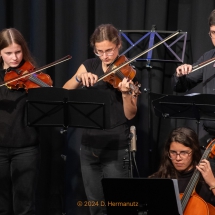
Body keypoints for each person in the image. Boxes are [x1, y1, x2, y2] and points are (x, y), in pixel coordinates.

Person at [63, 24, 139, 215]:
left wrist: (125, 94)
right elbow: (64, 90)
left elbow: (130, 114)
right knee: (96, 207)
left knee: (119, 206)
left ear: (118, 45)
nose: (105, 56)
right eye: (100, 51)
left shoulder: (128, 71)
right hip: (89, 145)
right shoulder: (89, 65)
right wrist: (80, 78)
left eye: (109, 51)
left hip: (116, 146)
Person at [0, 28, 39, 214]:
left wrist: (40, 87)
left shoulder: (30, 75)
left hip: (26, 147)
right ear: (0, 53)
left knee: (25, 203)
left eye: (18, 52)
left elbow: (46, 101)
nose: (14, 58)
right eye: (8, 53)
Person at [171, 9, 215, 134]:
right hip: (210, 134)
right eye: (213, 33)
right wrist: (180, 75)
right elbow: (181, 86)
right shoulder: (208, 58)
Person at [149, 127, 215, 207]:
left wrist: (212, 183)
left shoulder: (208, 178)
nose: (178, 158)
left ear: (194, 151)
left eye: (184, 153)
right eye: (173, 152)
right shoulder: (157, 180)